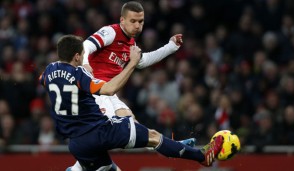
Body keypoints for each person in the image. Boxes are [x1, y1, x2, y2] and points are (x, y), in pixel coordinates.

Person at [40, 35, 223, 171]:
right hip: (101, 132)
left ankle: (175, 146)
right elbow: (109, 89)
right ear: (78, 56)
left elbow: (44, 79)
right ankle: (201, 156)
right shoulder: (80, 75)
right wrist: (132, 63)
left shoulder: (49, 71)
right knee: (153, 137)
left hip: (77, 143)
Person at [82, 1, 183, 120]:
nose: (137, 26)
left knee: (132, 124)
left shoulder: (131, 44)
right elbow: (86, 45)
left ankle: (171, 139)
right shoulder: (111, 32)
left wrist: (171, 47)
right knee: (115, 128)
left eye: (141, 21)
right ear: (122, 20)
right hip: (94, 91)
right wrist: (85, 63)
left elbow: (143, 61)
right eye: (133, 21)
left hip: (109, 93)